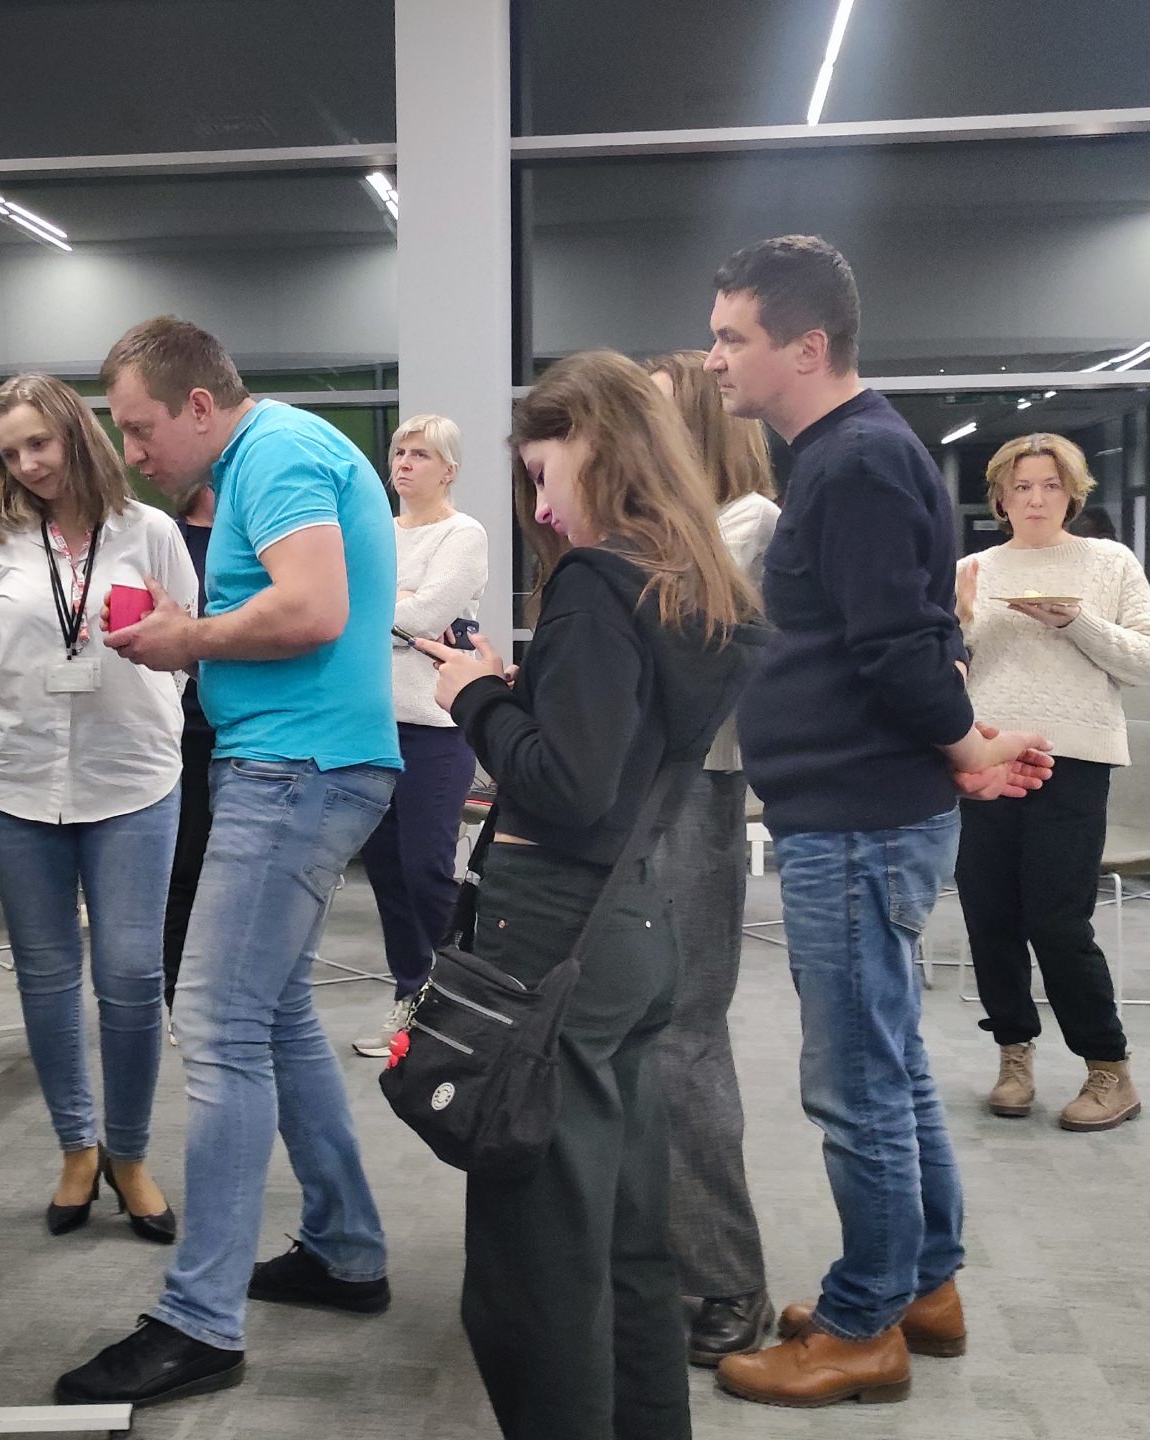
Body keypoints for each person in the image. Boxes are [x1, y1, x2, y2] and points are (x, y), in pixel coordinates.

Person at [703, 235, 1053, 1410]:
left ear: (806, 346)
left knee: (855, 1081)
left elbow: (900, 648)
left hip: (854, 818)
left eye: (733, 337)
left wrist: (964, 749)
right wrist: (959, 748)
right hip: (862, 806)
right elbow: (912, 630)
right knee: (889, 1068)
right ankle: (922, 1283)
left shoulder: (852, 461)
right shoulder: (849, 454)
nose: (716, 360)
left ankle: (863, 1326)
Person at [58, 317, 402, 1409]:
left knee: (214, 1026)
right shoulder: (273, 454)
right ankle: (344, 1249)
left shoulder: (277, 452)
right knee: (275, 1014)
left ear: (200, 406)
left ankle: (198, 1320)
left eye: (140, 428)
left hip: (296, 769)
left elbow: (313, 608)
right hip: (301, 762)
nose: (132, 453)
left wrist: (189, 638)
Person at [414, 350, 753, 1439]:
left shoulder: (598, 584)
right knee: (624, 1247)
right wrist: (531, 698)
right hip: (631, 925)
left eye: (544, 473)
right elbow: (615, 751)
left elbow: (565, 786)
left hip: (552, 932)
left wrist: (475, 698)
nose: (545, 507)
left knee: (537, 1279)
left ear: (600, 443)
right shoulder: (693, 585)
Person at [0, 372, 197, 1246]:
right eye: (9, 452)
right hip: (13, 778)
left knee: (129, 974)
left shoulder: (150, 531)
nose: (27, 464)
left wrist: (136, 692)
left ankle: (129, 1153)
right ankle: (76, 1148)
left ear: (75, 434)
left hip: (130, 776)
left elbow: (185, 641)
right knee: (47, 973)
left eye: (39, 443)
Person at [952, 433, 1150, 1133]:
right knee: (989, 916)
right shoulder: (971, 570)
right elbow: (943, 670)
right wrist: (954, 626)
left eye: (1050, 485)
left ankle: (1109, 1068)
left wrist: (1077, 620)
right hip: (988, 759)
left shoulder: (1110, 562)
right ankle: (1013, 1055)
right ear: (1000, 498)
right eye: (1021, 487)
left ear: (1072, 495)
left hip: (1074, 758)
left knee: (1056, 920)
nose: (1036, 498)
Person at [643, 349, 781, 1363]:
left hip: (696, 789)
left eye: (652, 415)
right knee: (633, 1035)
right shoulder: (664, 527)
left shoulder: (747, 521)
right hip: (638, 789)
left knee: (684, 1036)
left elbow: (672, 632)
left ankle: (730, 1281)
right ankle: (664, 1257)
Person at [351, 414, 487, 1058]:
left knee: (425, 866)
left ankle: (464, 998)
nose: (403, 463)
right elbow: (349, 605)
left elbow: (428, 615)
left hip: (435, 725)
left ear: (449, 470)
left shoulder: (464, 534)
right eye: (399, 452)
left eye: (420, 454)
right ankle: (412, 996)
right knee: (383, 870)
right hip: (370, 722)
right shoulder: (374, 531)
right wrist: (397, 606)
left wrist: (389, 608)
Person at [160, 477, 218, 1009]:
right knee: (185, 865)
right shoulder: (168, 540)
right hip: (186, 727)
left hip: (246, 727)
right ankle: (177, 991)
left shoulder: (256, 544)